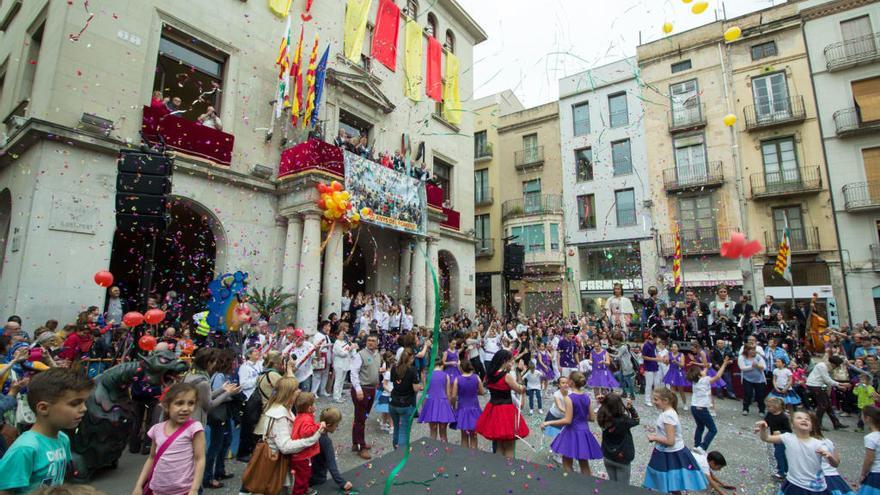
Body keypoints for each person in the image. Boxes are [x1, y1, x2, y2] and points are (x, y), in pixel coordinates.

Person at [0, 369, 92, 493]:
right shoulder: (25, 449)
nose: (84, 409)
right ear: (43, 408)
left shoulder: (63, 439)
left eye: (84, 402)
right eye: (75, 403)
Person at [240, 377, 321, 494]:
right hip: (276, 464)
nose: (299, 391)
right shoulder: (279, 415)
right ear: (289, 394)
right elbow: (285, 446)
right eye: (296, 389)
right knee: (276, 489)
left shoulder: (284, 409)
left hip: (280, 462)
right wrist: (313, 438)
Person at [132, 383, 205, 495]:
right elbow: (151, 458)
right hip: (157, 490)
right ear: (166, 406)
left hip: (183, 491)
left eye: (191, 403)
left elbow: (199, 459)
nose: (185, 408)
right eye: (179, 403)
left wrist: (194, 489)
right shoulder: (157, 429)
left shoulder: (194, 428)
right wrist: (138, 485)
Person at [642, 387, 708, 492]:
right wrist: (658, 434)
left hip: (670, 454)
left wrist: (654, 437)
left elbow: (670, 441)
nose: (654, 402)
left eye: (656, 399)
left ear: (665, 400)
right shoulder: (668, 413)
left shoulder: (667, 416)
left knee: (671, 483)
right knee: (673, 484)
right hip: (669, 452)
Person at [755, 411, 833, 495]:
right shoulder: (787, 437)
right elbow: (766, 438)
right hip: (794, 483)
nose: (804, 420)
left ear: (812, 427)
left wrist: (830, 457)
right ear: (792, 425)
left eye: (807, 419)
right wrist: (763, 429)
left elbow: (835, 464)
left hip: (814, 487)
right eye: (799, 418)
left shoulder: (819, 444)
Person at [542, 371, 601, 475]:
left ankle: (571, 485)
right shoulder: (587, 397)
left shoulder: (569, 398)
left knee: (567, 462)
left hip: (571, 432)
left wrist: (548, 422)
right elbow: (592, 418)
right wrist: (580, 417)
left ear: (572, 383)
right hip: (584, 431)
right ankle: (589, 486)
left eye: (568, 379)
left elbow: (567, 420)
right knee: (584, 463)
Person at [476, 350, 529, 458]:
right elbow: (519, 389)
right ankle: (509, 470)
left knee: (499, 444)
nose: (511, 364)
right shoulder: (506, 376)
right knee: (509, 445)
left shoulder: (489, 375)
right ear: (504, 361)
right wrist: (522, 385)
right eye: (510, 361)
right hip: (506, 410)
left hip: (493, 409)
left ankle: (498, 468)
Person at [687, 357, 731, 452]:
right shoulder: (705, 380)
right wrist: (724, 364)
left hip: (694, 407)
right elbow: (718, 376)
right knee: (713, 429)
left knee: (700, 427)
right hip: (702, 408)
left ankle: (696, 445)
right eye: (701, 371)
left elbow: (704, 371)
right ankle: (702, 447)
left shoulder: (695, 382)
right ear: (699, 375)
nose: (703, 371)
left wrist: (706, 367)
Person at [597, 392, 640, 484]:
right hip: (622, 458)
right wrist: (631, 408)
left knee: (612, 485)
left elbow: (603, 409)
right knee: (622, 488)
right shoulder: (623, 420)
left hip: (608, 456)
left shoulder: (601, 417)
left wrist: (602, 403)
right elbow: (636, 420)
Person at [349, 334, 380, 459]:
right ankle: (361, 447)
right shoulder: (360, 355)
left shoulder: (377, 355)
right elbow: (354, 372)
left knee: (362, 417)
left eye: (373, 341)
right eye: (369, 340)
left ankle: (355, 442)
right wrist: (358, 389)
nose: (370, 342)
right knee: (360, 419)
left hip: (372, 389)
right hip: (362, 389)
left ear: (377, 343)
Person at [309, 407, 353, 493]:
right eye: (336, 425)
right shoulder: (326, 442)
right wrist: (342, 483)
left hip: (306, 474)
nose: (337, 428)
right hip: (318, 477)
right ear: (328, 425)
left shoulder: (312, 430)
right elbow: (332, 465)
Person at [290, 393, 324, 495]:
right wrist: (319, 426)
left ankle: (305, 489)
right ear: (309, 408)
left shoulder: (301, 416)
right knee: (302, 477)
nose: (315, 406)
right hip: (302, 456)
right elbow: (306, 432)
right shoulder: (306, 418)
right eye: (314, 404)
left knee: (305, 475)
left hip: (301, 455)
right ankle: (299, 492)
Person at [389, 348, 423, 450]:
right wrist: (421, 386)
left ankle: (395, 449)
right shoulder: (412, 370)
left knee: (396, 428)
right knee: (403, 430)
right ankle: (401, 454)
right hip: (406, 404)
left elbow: (394, 382)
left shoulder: (394, 368)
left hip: (393, 403)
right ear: (411, 358)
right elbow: (415, 388)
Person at [806, 354, 850, 430]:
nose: (836, 367)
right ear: (833, 364)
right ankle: (817, 424)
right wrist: (841, 384)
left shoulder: (827, 367)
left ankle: (836, 423)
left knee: (828, 405)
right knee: (823, 405)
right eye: (836, 365)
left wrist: (838, 386)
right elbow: (827, 380)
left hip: (820, 385)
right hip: (815, 385)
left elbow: (827, 381)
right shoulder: (822, 366)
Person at [417, 360, 455, 442]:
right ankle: (445, 452)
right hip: (443, 403)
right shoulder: (446, 375)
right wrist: (450, 406)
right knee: (443, 433)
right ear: (441, 365)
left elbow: (425, 393)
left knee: (433, 432)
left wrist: (424, 406)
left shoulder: (428, 376)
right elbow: (448, 393)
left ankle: (433, 452)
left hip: (431, 403)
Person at [451, 359, 483, 449]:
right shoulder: (476, 377)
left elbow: (453, 396)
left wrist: (453, 406)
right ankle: (474, 457)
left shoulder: (458, 379)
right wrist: (474, 392)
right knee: (474, 436)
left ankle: (465, 458)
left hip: (462, 409)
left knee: (464, 436)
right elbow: (482, 391)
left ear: (461, 368)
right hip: (475, 409)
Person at [764, 397, 791, 481]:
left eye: (769, 407)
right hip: (774, 438)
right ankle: (786, 470)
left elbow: (789, 430)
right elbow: (766, 422)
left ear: (776, 407)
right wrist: (761, 427)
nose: (767, 408)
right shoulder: (770, 414)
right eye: (767, 406)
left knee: (778, 454)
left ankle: (781, 472)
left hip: (782, 439)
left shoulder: (783, 417)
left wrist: (780, 431)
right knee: (782, 454)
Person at [738, 344, 767, 416]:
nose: (754, 351)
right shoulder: (742, 357)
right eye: (751, 349)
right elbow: (742, 368)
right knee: (748, 394)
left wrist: (757, 366)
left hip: (759, 379)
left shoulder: (758, 357)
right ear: (746, 350)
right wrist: (752, 366)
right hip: (747, 379)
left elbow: (764, 367)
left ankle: (762, 410)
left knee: (760, 395)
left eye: (754, 349)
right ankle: (745, 409)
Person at [331, 325, 357, 403]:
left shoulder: (345, 342)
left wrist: (352, 348)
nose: (343, 335)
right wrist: (350, 348)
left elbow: (351, 353)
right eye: (341, 334)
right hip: (339, 364)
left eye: (343, 334)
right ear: (337, 335)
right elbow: (342, 353)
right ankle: (336, 397)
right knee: (338, 380)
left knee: (342, 381)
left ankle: (339, 395)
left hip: (345, 364)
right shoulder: (336, 343)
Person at [859, 405, 880, 494]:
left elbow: (869, 459)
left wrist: (863, 473)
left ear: (867, 418)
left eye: (862, 415)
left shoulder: (870, 438)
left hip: (876, 473)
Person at [310, 321, 332, 398]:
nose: (329, 327)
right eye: (327, 326)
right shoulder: (318, 335)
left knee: (325, 374)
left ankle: (322, 390)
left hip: (327, 355)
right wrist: (326, 345)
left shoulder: (326, 335)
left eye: (329, 326)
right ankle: (314, 392)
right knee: (317, 375)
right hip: (320, 355)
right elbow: (316, 346)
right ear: (323, 326)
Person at [375, 352, 394, 432]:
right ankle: (391, 427)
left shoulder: (387, 371)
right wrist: (391, 391)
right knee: (390, 411)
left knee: (385, 410)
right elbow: (385, 384)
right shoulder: (388, 373)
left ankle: (383, 423)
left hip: (386, 392)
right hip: (387, 393)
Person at [642, 335, 663, 407]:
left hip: (655, 367)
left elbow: (656, 354)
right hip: (648, 368)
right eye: (658, 338)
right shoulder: (646, 345)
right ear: (655, 338)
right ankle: (647, 400)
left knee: (657, 384)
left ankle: (656, 399)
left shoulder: (654, 345)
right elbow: (643, 356)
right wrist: (655, 359)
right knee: (649, 384)